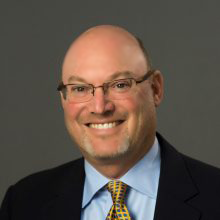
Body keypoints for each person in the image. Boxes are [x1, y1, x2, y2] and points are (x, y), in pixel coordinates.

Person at [0, 25, 220, 220]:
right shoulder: (22, 204)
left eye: (120, 85)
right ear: (64, 99)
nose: (100, 107)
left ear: (156, 89)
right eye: (80, 89)